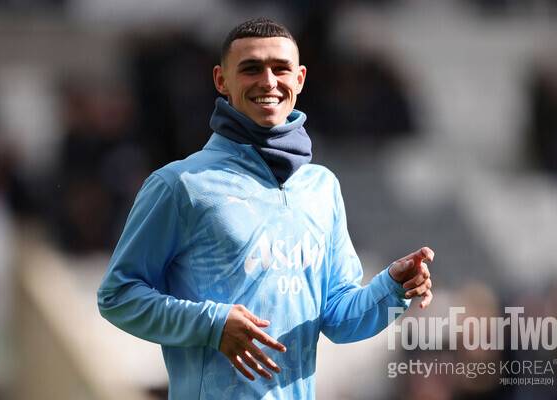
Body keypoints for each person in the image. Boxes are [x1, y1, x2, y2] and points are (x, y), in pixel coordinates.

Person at [97, 17, 434, 400]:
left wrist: (393, 288)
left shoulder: (321, 187)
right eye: (251, 69)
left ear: (300, 79)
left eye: (281, 69)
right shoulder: (181, 185)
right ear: (221, 80)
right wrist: (213, 324)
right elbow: (117, 296)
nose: (268, 81)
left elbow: (340, 320)